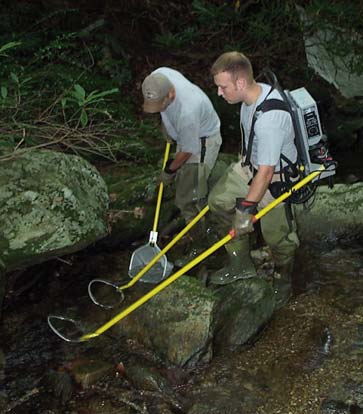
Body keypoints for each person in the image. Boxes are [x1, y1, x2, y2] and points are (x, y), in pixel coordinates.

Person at [208, 51, 300, 308]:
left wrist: (245, 210)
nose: (219, 92)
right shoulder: (251, 98)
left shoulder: (269, 120)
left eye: (222, 87)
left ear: (240, 83)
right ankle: (241, 264)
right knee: (218, 202)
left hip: (274, 177)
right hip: (251, 166)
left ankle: (284, 276)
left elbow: (267, 173)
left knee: (277, 238)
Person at [141, 67, 222, 265]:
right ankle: (198, 216)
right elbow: (162, 106)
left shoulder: (188, 111)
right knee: (186, 185)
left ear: (171, 94)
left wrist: (169, 171)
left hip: (202, 142)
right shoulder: (158, 76)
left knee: (188, 199)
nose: (158, 109)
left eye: (160, 105)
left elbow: (188, 150)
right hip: (187, 133)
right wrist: (167, 125)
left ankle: (201, 243)